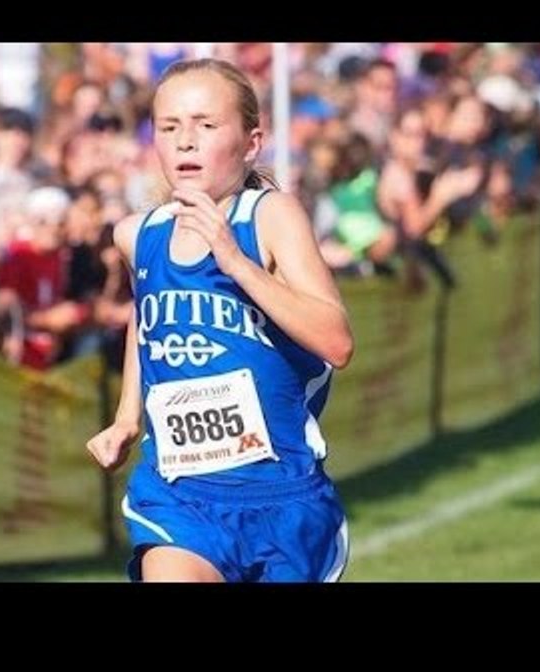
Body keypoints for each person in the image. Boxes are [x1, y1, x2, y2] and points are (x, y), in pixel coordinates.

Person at [86, 58, 354, 582]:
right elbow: (149, 319)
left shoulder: (271, 217)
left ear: (252, 142)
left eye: (206, 126)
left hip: (283, 497)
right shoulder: (137, 235)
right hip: (179, 494)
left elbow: (337, 341)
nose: (186, 141)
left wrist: (234, 261)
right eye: (170, 128)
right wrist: (126, 417)